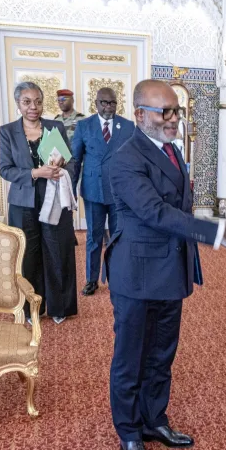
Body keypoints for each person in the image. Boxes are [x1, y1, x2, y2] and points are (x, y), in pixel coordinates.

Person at [105, 79, 225, 450]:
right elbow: (156, 212)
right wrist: (214, 231)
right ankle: (129, 432)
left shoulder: (172, 151)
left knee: (161, 354)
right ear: (140, 115)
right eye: (165, 112)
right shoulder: (123, 158)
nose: (174, 119)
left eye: (177, 111)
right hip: (136, 274)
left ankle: (154, 420)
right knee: (131, 358)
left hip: (169, 270)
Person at [0, 81, 78, 325]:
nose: (33, 107)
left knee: (57, 250)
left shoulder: (55, 127)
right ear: (18, 104)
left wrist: (62, 169)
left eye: (38, 101)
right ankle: (31, 307)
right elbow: (5, 170)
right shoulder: (7, 131)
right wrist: (36, 173)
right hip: (23, 203)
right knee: (28, 256)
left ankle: (59, 306)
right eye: (27, 102)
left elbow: (71, 161)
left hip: (55, 198)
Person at [72, 87, 134, 296]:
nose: (108, 106)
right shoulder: (84, 126)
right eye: (104, 102)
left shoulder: (127, 126)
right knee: (94, 237)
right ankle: (91, 279)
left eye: (112, 103)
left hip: (119, 192)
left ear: (117, 104)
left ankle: (116, 277)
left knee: (118, 237)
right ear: (96, 103)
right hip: (93, 191)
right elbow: (75, 160)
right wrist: (70, 188)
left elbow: (134, 160)